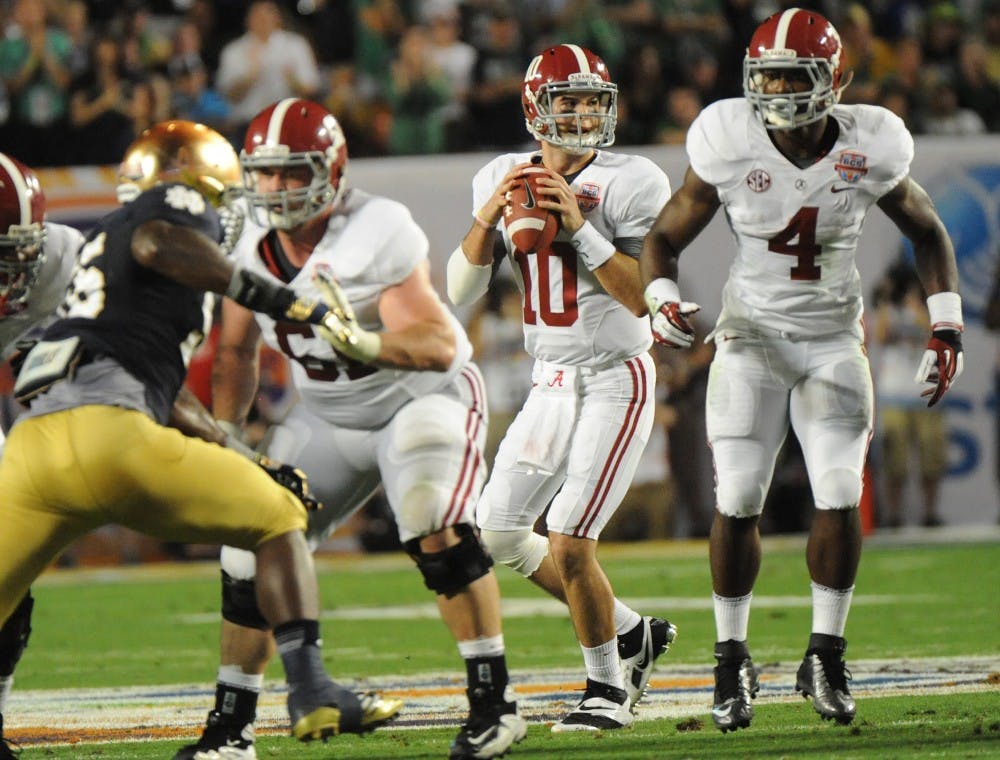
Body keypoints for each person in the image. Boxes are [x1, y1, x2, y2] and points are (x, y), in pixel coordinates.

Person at [0, 120, 403, 750]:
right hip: (114, 441)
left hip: (30, 453)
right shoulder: (172, 207)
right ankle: (312, 687)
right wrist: (278, 299)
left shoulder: (92, 256)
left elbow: (171, 396)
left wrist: (243, 455)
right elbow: (161, 241)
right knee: (277, 515)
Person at [639, 7, 964, 732]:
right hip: (750, 336)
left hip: (830, 340)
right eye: (770, 76)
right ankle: (731, 660)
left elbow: (928, 229)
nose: (780, 90)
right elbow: (664, 233)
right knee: (740, 496)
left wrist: (946, 323)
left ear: (835, 80)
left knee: (841, 491)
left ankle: (825, 651)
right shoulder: (729, 137)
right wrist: (658, 297)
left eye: (795, 75)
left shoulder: (870, 143)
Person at [172, 99, 525, 760]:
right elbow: (234, 351)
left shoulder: (375, 227)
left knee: (431, 521)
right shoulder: (244, 236)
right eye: (266, 174)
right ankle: (231, 729)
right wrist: (226, 435)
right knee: (246, 540)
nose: (276, 189)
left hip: (416, 399)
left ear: (330, 171)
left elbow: (442, 343)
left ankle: (494, 704)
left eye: (291, 173)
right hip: (328, 414)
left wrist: (364, 341)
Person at [447, 44, 677, 732]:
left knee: (571, 542)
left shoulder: (635, 179)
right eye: (567, 99)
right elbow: (460, 291)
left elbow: (642, 300)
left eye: (593, 100)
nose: (582, 113)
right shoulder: (500, 173)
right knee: (498, 531)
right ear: (534, 106)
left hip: (615, 375)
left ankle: (608, 687)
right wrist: (487, 216)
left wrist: (579, 228)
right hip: (550, 380)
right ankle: (632, 632)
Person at [0, 151, 85, 760]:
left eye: (18, 251)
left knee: (8, 554)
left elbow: (37, 366)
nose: (13, 271)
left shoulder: (60, 256)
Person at [870, 262, 946, 527]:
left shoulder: (929, 310)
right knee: (895, 462)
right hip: (895, 394)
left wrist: (917, 306)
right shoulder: (887, 310)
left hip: (925, 394)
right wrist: (885, 302)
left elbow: (933, 332)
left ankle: (930, 512)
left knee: (931, 460)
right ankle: (894, 515)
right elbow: (879, 336)